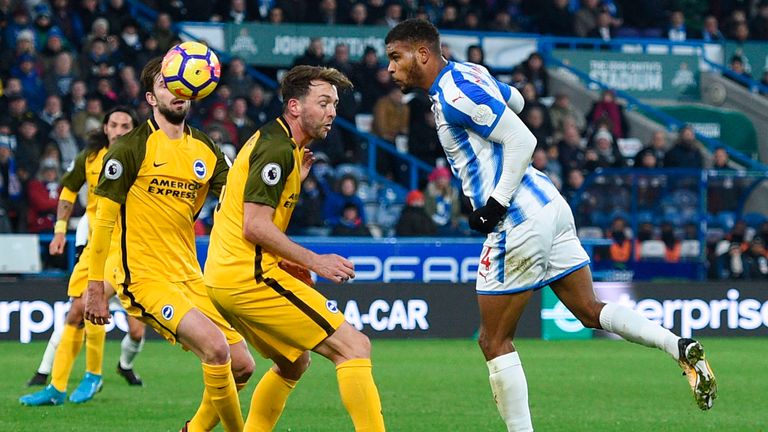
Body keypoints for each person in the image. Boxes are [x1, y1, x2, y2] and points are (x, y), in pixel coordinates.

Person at [385, 19, 717, 430]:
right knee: (589, 310)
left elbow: (523, 138)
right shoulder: (470, 74)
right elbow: (520, 103)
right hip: (550, 205)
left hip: (517, 218)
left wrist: (493, 204)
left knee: (493, 340)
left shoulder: (454, 94)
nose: (390, 68)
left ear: (422, 54)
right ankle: (677, 345)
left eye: (395, 58)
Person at [204, 65, 385, 431]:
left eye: (334, 103)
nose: (332, 111)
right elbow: (253, 226)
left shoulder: (278, 145)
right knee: (354, 346)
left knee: (294, 362)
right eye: (323, 102)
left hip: (224, 279)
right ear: (294, 106)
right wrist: (314, 260)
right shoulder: (276, 151)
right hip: (248, 278)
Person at [82, 57, 254, 431]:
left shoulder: (205, 149)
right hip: (144, 278)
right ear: (150, 96)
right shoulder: (130, 148)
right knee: (216, 349)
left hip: (191, 277)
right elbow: (103, 222)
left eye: (181, 82)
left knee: (243, 365)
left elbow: (243, 203)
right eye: (165, 82)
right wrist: (95, 287)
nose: (176, 89)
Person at [20, 107, 147, 407]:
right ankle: (57, 387)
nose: (119, 129)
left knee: (91, 304)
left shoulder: (144, 157)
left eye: (125, 125)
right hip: (95, 245)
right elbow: (68, 189)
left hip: (126, 246)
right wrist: (61, 230)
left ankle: (93, 374)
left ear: (134, 128)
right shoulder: (89, 158)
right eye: (113, 124)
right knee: (75, 313)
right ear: (105, 128)